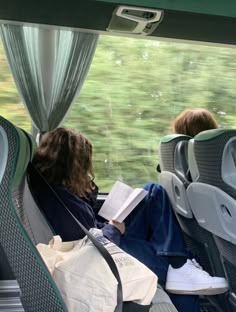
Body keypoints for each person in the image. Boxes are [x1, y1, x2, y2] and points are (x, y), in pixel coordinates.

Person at [29, 109, 227, 312]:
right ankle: (179, 264)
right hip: (101, 253)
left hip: (104, 242)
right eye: (85, 164)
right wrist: (113, 229)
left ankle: (180, 264)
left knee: (152, 191)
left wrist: (95, 201)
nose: (88, 169)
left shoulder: (56, 187)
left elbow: (86, 224)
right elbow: (87, 243)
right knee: (172, 269)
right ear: (73, 164)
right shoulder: (59, 200)